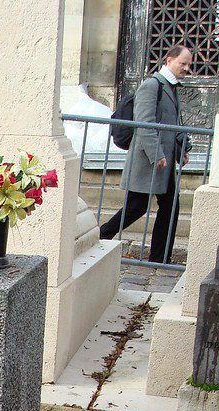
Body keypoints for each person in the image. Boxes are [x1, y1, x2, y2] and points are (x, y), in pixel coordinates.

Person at [100, 44, 192, 264]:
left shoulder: (171, 87)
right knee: (136, 207)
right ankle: (101, 236)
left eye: (189, 64)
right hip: (148, 161)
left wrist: (181, 151)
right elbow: (144, 123)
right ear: (169, 61)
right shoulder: (152, 86)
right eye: (183, 63)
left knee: (170, 207)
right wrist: (157, 154)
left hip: (164, 163)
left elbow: (172, 125)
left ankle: (160, 257)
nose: (187, 68)